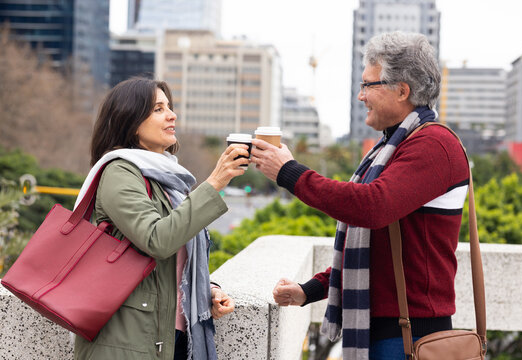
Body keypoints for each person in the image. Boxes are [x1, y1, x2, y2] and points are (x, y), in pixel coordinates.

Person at [251, 31, 469, 360]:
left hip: (412, 336)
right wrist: (307, 291)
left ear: (402, 90)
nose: (360, 96)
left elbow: (370, 207)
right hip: (387, 331)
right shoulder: (391, 147)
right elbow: (368, 245)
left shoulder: (434, 145)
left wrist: (289, 172)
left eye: (368, 85)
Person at [73, 78, 246, 360]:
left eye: (169, 106)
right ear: (130, 121)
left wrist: (207, 290)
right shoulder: (119, 172)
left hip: (173, 336)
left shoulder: (167, 180)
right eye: (157, 109)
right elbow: (157, 239)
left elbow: (175, 259)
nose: (172, 115)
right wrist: (214, 183)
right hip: (129, 341)